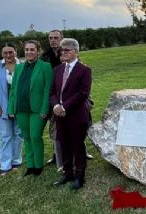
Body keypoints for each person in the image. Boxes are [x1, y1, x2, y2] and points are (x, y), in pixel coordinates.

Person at [50, 38, 92, 190]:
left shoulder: (84, 70)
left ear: (76, 51)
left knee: (77, 146)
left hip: (76, 115)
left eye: (67, 50)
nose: (63, 52)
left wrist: (64, 106)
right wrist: (55, 105)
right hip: (59, 116)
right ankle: (67, 174)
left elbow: (83, 93)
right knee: (64, 144)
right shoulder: (58, 69)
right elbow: (52, 92)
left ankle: (79, 177)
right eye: (62, 50)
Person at [7, 40, 53, 176]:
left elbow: (47, 90)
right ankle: (30, 166)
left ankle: (38, 165)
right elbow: (14, 89)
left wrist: (45, 109)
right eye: (27, 50)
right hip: (21, 108)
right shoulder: (19, 67)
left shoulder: (45, 67)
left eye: (32, 50)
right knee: (26, 137)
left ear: (38, 51)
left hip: (37, 109)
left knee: (35, 136)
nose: (29, 52)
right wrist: (11, 108)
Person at [0, 43, 23, 176]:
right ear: (2, 54)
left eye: (11, 52)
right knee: (5, 135)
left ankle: (16, 162)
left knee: (18, 134)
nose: (8, 55)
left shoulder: (23, 65)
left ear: (16, 52)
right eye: (5, 53)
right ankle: (5, 165)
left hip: (19, 107)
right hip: (3, 106)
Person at [42, 30, 63, 167]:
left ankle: (81, 150)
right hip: (52, 96)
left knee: (75, 125)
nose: (53, 40)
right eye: (50, 38)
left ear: (62, 38)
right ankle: (56, 155)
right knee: (54, 128)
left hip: (67, 95)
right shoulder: (45, 57)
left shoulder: (67, 52)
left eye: (56, 37)